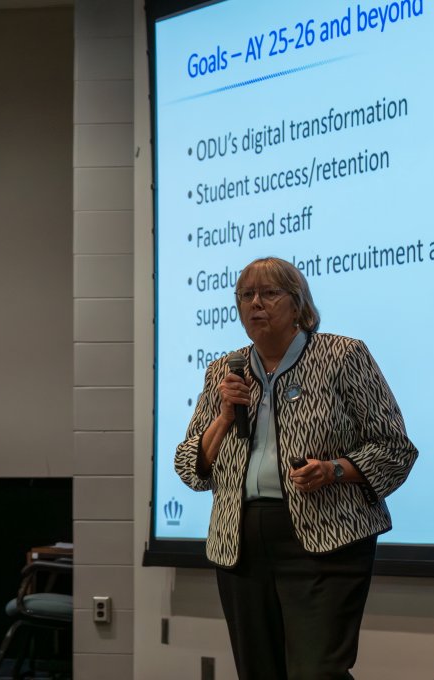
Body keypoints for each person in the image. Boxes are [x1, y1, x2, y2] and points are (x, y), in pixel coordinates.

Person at [175, 257, 417, 680]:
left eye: (269, 293)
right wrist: (225, 416)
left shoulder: (343, 356)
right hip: (241, 541)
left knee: (317, 671)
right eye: (245, 296)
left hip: (328, 539)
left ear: (299, 304)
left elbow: (396, 449)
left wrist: (334, 470)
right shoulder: (225, 370)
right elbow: (189, 467)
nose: (256, 304)